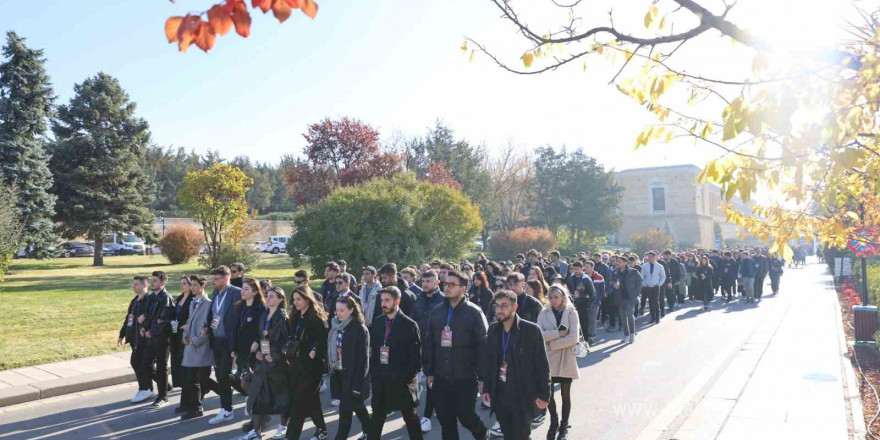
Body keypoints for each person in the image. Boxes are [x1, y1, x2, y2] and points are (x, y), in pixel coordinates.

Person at [422, 270, 489, 440]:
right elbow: (429, 343)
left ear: (463, 288)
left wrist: (483, 378)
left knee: (466, 417)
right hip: (440, 377)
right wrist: (429, 371)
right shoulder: (437, 312)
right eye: (446, 284)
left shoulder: (474, 313)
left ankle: (483, 434)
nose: (447, 287)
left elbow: (483, 347)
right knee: (446, 420)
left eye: (452, 285)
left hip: (465, 377)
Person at [482, 290, 551, 440]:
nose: (499, 310)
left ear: (515, 307)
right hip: (500, 394)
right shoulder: (493, 329)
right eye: (497, 306)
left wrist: (545, 394)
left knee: (521, 435)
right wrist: (487, 387)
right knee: (508, 434)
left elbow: (542, 366)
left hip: (523, 395)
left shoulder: (531, 330)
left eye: (504, 306)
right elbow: (488, 361)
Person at [368, 287, 424, 439]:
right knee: (376, 419)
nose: (383, 304)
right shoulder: (378, 322)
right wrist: (375, 375)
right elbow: (372, 353)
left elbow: (415, 360)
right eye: (382, 300)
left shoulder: (409, 325)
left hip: (402, 382)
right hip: (381, 380)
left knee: (411, 419)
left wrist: (402, 379)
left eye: (387, 300)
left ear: (397, 301)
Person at [242, 287, 290, 440]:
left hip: (277, 364)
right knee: (257, 396)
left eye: (271, 297)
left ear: (280, 300)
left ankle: (283, 426)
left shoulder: (283, 317)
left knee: (281, 396)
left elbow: (286, 341)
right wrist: (258, 350)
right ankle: (256, 431)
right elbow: (261, 336)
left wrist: (273, 355)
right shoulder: (264, 315)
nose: (267, 299)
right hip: (262, 362)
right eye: (267, 296)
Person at [283, 286, 330, 440]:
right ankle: (322, 429)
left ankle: (291, 437)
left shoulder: (316, 318)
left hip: (311, 368)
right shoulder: (295, 316)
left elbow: (323, 339)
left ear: (307, 299)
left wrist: (315, 350)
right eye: (294, 299)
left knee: (298, 404)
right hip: (296, 365)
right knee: (312, 400)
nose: (295, 303)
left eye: (299, 299)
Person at [536, 285, 580, 440]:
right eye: (551, 297)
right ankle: (553, 421)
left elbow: (574, 337)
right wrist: (558, 334)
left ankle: (564, 425)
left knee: (565, 394)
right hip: (548, 359)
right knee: (549, 394)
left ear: (563, 296)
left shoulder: (571, 312)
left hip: (566, 358)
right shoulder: (544, 312)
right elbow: (539, 333)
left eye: (556, 297)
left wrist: (552, 344)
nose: (553, 300)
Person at [329, 294, 372, 440]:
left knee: (345, 411)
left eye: (342, 310)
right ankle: (371, 431)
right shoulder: (335, 325)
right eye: (337, 310)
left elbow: (363, 359)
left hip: (353, 376)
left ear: (351, 310)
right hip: (338, 372)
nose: (338, 313)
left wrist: (358, 384)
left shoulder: (359, 328)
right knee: (358, 406)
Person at [207, 265, 243, 425]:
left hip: (230, 341)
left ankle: (227, 409)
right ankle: (246, 394)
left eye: (216, 279)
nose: (213, 282)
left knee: (223, 375)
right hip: (217, 341)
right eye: (212, 279)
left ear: (226, 278)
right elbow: (213, 315)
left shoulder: (236, 292)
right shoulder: (215, 293)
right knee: (222, 375)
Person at [180, 275, 219, 420]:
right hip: (191, 346)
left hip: (201, 347)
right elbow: (190, 322)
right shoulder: (193, 303)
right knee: (193, 379)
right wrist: (185, 335)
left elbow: (209, 328)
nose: (192, 288)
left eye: (195, 285)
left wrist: (195, 340)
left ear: (203, 286)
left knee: (195, 379)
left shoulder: (209, 304)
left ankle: (196, 408)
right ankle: (195, 405)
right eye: (192, 285)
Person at [412, 269, 445, 433]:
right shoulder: (417, 300)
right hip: (421, 348)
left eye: (428, 282)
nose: (425, 285)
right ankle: (438, 407)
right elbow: (413, 322)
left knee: (432, 381)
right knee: (430, 382)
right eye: (423, 282)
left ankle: (426, 416)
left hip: (440, 348)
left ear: (437, 282)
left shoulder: (445, 300)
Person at [228, 277, 266, 418]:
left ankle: (257, 410)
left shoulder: (261, 308)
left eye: (246, 289)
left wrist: (257, 342)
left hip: (255, 352)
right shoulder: (239, 306)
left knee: (255, 381)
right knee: (244, 379)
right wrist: (233, 348)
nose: (242, 292)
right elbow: (234, 328)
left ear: (255, 292)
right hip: (241, 350)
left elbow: (263, 330)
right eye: (242, 288)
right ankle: (253, 402)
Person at [118, 276, 156, 404]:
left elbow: (153, 315)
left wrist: (145, 318)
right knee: (144, 365)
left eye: (136, 284)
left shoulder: (149, 300)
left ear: (145, 285)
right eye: (133, 284)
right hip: (134, 338)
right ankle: (161, 387)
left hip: (145, 339)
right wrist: (121, 335)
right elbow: (128, 319)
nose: (134, 286)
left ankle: (144, 388)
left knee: (137, 362)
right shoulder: (134, 301)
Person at [144, 270, 174, 407]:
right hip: (150, 338)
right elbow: (146, 316)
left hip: (162, 339)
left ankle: (163, 397)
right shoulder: (151, 297)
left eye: (155, 280)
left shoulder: (166, 298)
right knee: (146, 365)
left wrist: (152, 332)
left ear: (164, 282)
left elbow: (164, 321)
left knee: (162, 368)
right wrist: (143, 328)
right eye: (152, 280)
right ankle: (166, 386)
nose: (152, 282)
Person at [170, 276, 194, 404]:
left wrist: (188, 325)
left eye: (184, 283)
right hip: (176, 333)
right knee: (176, 361)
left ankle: (188, 397)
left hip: (185, 335)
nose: (182, 286)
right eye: (181, 283)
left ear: (191, 286)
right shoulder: (179, 298)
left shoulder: (192, 300)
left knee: (184, 365)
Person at [614, 256, 643, 343]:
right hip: (620, 297)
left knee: (630, 314)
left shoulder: (633, 271)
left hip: (630, 297)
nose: (617, 263)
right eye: (617, 261)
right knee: (623, 317)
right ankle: (626, 335)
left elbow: (640, 281)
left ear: (625, 263)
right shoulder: (616, 272)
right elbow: (611, 281)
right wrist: (614, 284)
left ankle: (632, 334)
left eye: (619, 262)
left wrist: (637, 292)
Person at [640, 252, 666, 325]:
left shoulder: (660, 266)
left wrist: (659, 284)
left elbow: (663, 276)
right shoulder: (644, 266)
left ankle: (657, 318)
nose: (649, 258)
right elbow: (642, 276)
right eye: (648, 257)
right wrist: (644, 284)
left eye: (650, 257)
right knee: (650, 302)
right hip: (648, 286)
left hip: (656, 286)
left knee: (655, 302)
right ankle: (652, 317)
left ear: (654, 257)